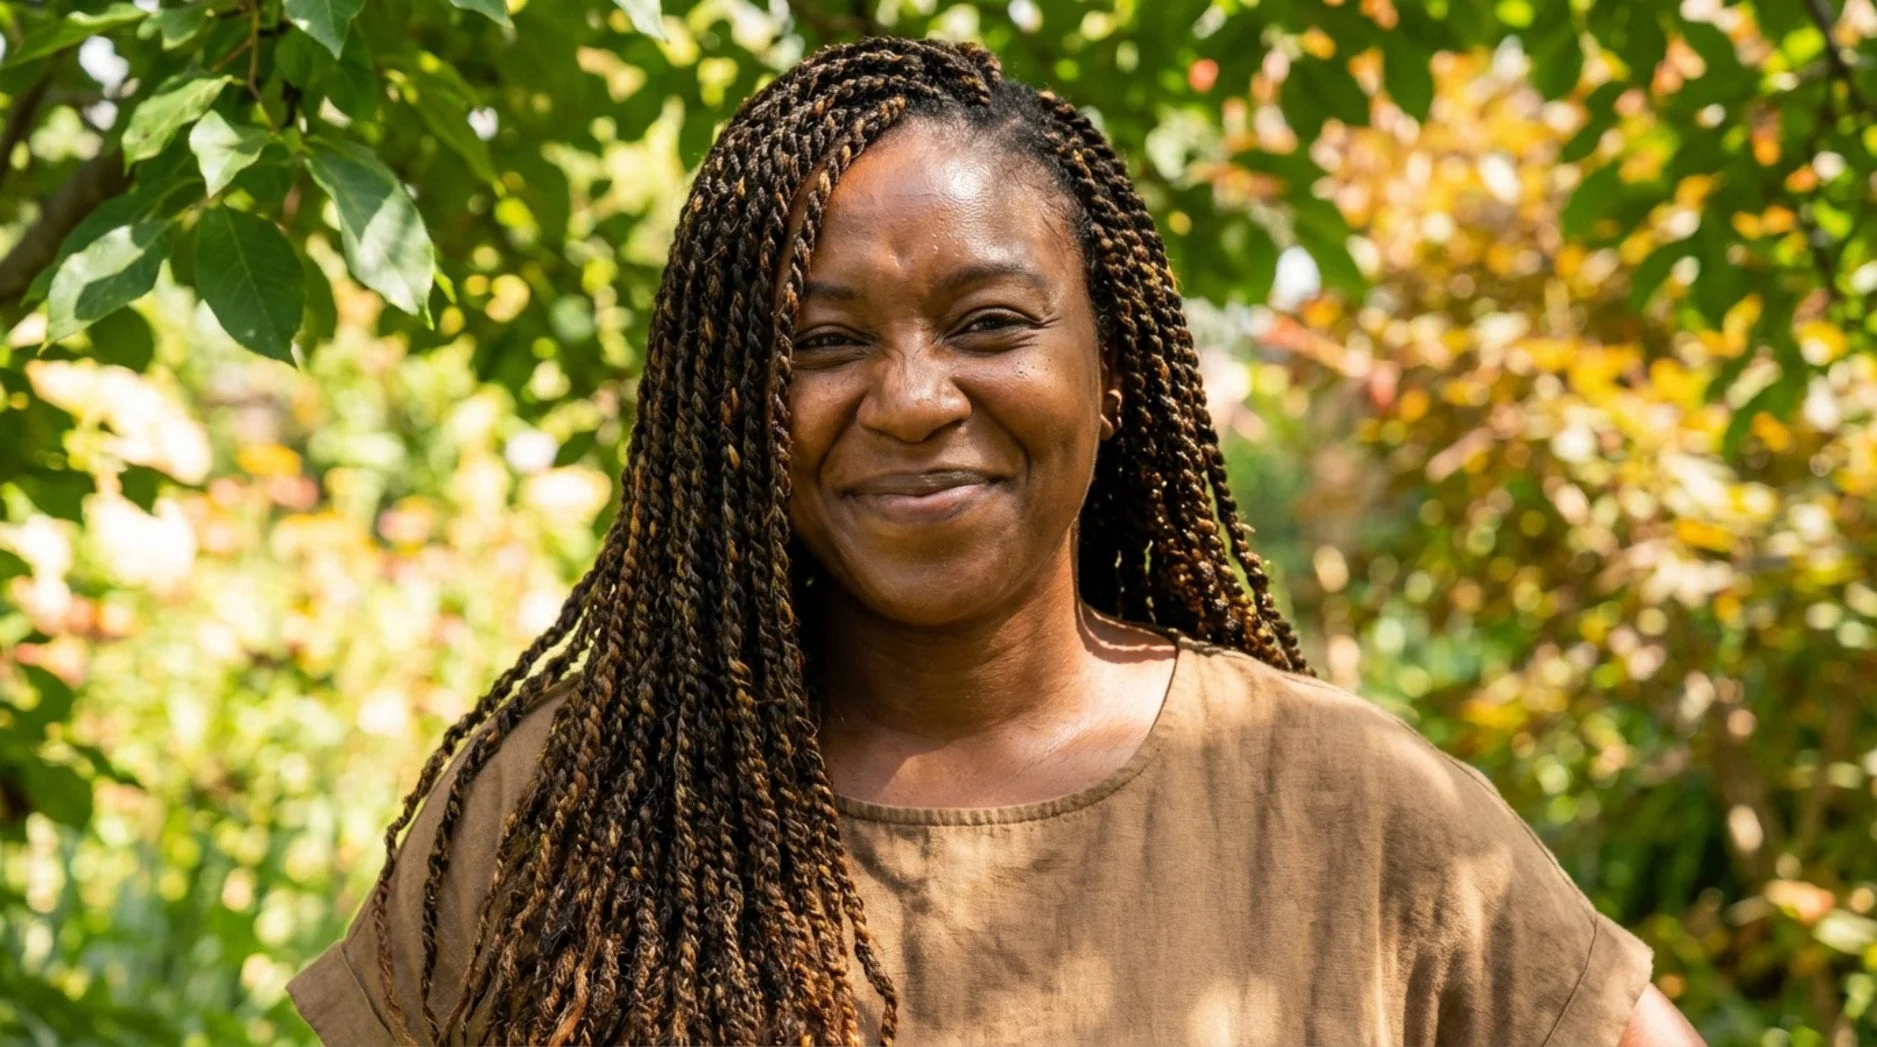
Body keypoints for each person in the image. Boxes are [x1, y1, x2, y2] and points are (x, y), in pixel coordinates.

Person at [287, 35, 1704, 1047]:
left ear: (1115, 376)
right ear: (734, 412)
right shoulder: (556, 821)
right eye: (825, 341)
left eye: (990, 324)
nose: (911, 400)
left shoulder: (1350, 811)